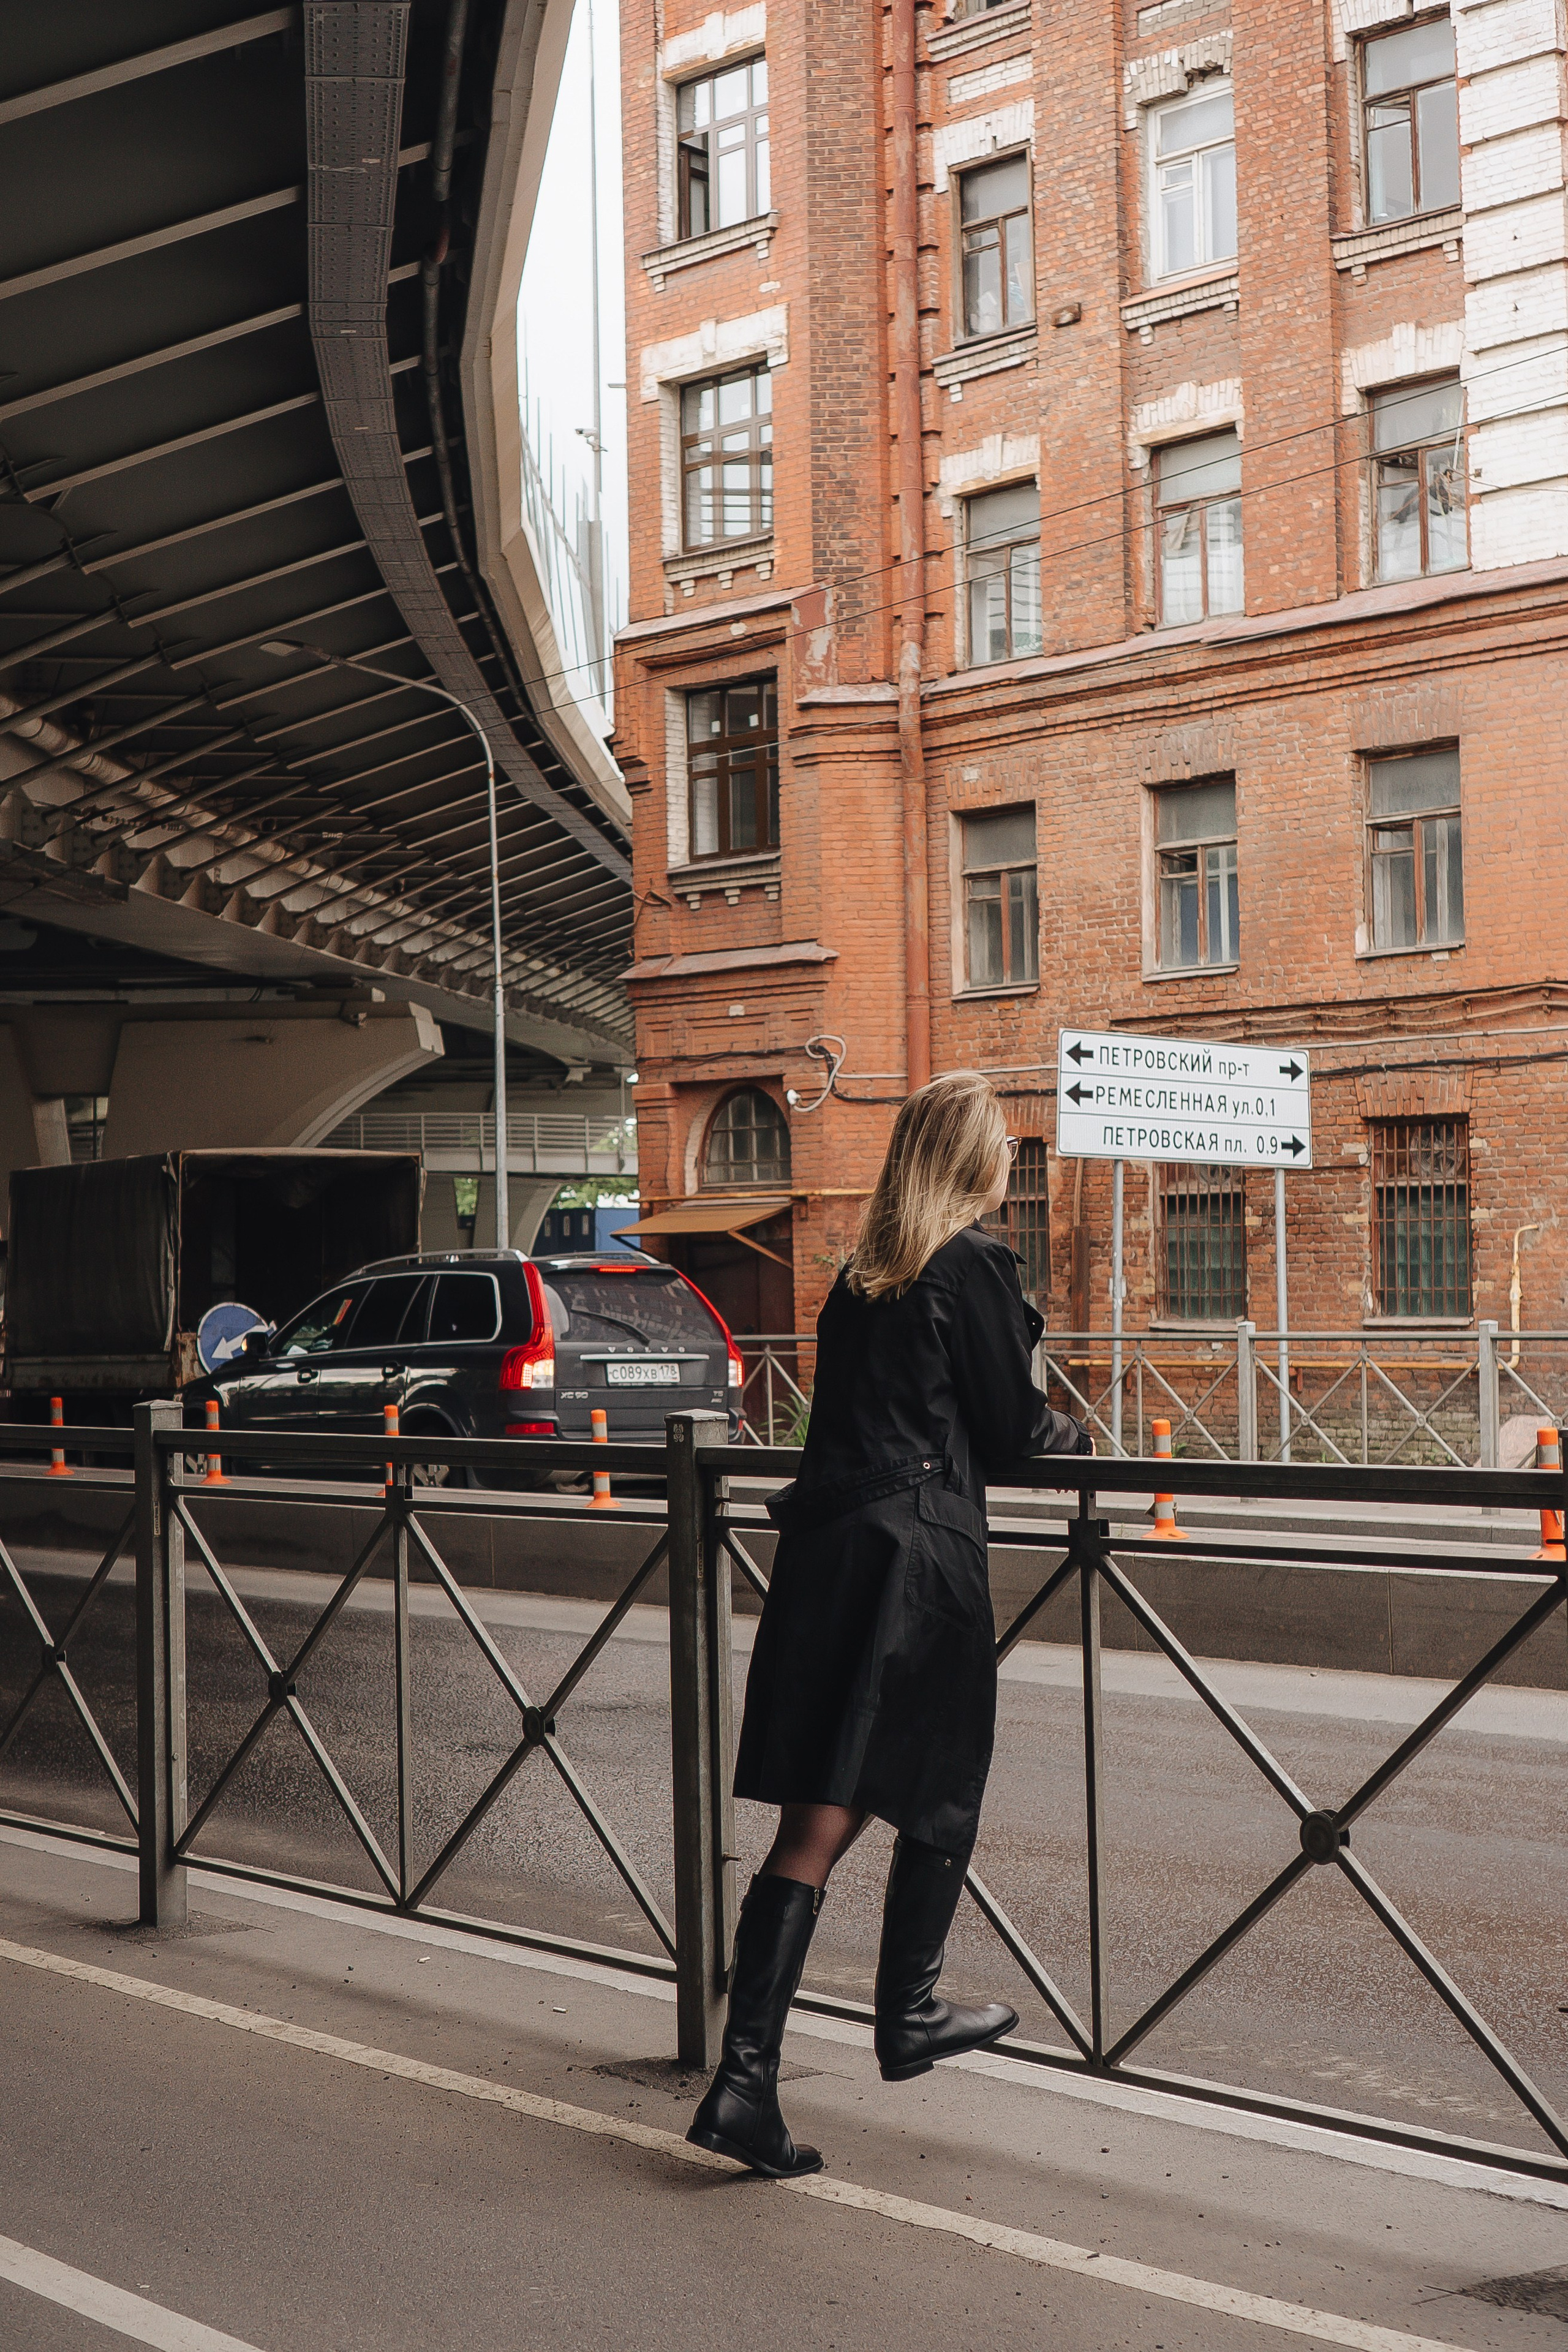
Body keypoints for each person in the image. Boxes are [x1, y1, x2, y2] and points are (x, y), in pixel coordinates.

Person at [687, 1071, 1092, 2178]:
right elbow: (1009, 1435)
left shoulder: (861, 1280)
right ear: (973, 1161)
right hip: (919, 1563)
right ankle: (906, 2011)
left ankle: (742, 2086)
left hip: (834, 1557)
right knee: (946, 1773)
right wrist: (1076, 1435)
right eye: (1002, 1148)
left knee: (819, 1820)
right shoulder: (974, 1263)